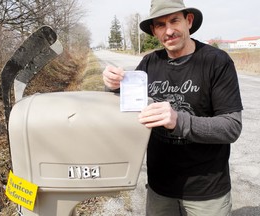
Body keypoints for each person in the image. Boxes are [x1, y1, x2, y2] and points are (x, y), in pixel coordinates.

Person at [102, 0, 243, 215]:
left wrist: (178, 120)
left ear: (189, 20)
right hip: (160, 188)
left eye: (174, 20)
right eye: (160, 24)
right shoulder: (150, 63)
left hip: (207, 191)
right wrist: (111, 86)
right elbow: (124, 108)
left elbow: (231, 127)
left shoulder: (216, 62)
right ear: (154, 31)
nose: (169, 31)